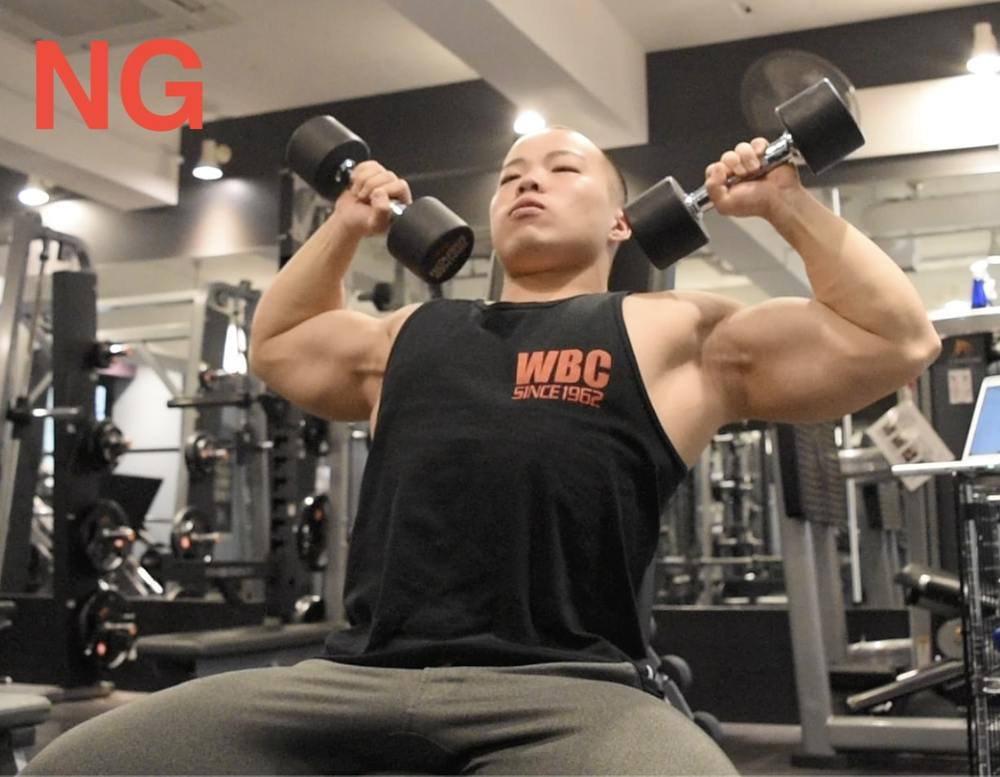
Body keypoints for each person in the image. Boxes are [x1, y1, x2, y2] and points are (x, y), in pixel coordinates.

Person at [23, 128, 941, 776]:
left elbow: (897, 340)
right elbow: (282, 342)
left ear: (622, 223)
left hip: (572, 691)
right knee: (79, 763)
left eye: (563, 169)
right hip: (355, 677)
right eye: (509, 176)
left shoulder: (672, 328)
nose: (528, 182)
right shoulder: (411, 333)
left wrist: (785, 205)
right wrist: (345, 225)